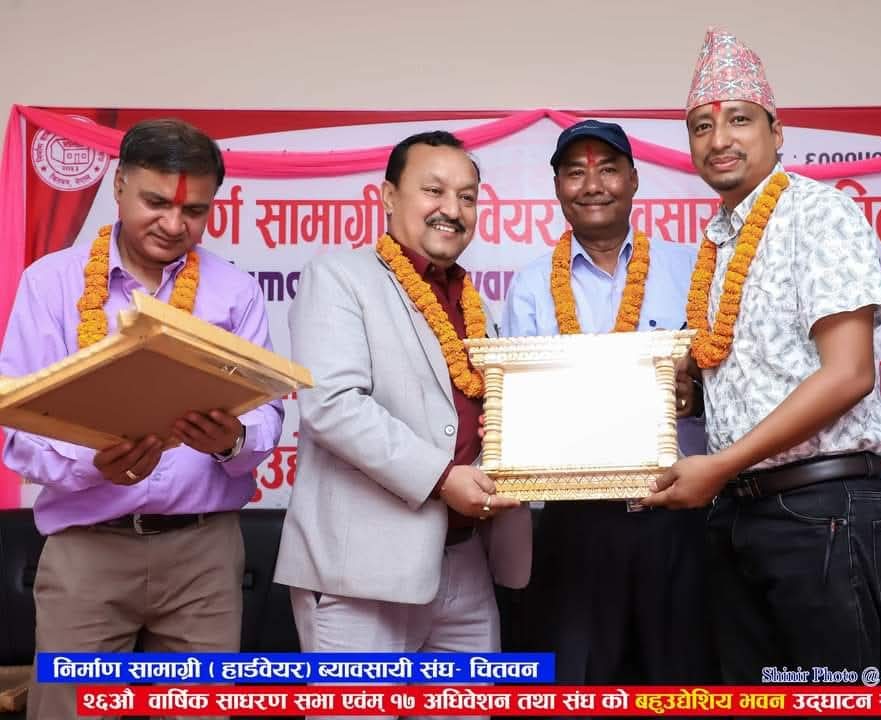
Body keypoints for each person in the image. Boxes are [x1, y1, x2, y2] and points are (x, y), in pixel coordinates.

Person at [0, 118, 284, 719]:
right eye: (156, 202)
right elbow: (16, 425)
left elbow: (268, 414)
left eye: (194, 211)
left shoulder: (234, 291)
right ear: (119, 186)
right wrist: (93, 463)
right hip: (87, 549)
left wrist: (233, 440)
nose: (174, 224)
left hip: (203, 554)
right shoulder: (50, 284)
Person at [643, 28, 881, 679]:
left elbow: (849, 373)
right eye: (702, 126)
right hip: (738, 514)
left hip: (820, 512)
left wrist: (719, 465)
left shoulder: (818, 212)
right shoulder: (717, 243)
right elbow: (738, 372)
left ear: (776, 131)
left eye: (739, 120)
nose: (719, 139)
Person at [274, 131, 531, 707]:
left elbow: (487, 414)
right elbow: (332, 405)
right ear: (388, 197)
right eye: (434, 190)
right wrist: (442, 477)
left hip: (466, 562)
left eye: (467, 197)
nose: (452, 209)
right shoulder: (338, 278)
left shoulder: (474, 303)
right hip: (363, 573)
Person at [501, 120, 712, 684]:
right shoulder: (530, 287)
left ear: (634, 180)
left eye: (608, 169)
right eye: (575, 172)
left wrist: (696, 397)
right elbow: (518, 406)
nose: (592, 185)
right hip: (576, 524)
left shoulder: (692, 270)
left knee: (679, 687)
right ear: (557, 188)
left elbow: (726, 379)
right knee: (579, 687)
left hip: (676, 516)